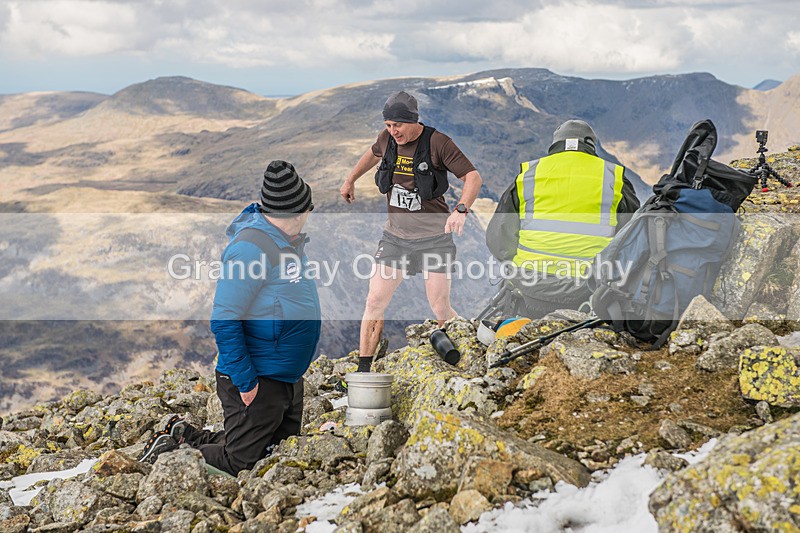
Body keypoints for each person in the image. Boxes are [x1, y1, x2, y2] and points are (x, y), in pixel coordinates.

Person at [139, 160, 321, 474]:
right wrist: (246, 381)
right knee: (242, 464)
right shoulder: (251, 250)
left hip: (285, 379)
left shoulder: (285, 242)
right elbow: (225, 319)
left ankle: (185, 436)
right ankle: (171, 455)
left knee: (276, 453)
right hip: (258, 378)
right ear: (297, 211)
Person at [339, 91, 482, 373]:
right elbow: (372, 154)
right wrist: (350, 179)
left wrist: (461, 209)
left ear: (414, 121)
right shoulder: (387, 139)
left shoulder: (437, 143)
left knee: (440, 307)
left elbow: (473, 177)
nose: (393, 132)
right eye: (389, 125)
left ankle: (468, 352)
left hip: (434, 239)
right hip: (395, 239)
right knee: (374, 300)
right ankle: (364, 369)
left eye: (398, 126)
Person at [485, 119, 640, 318]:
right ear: (591, 146)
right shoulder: (613, 178)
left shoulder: (529, 175)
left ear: (555, 145)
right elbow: (632, 241)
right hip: (588, 294)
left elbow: (497, 240)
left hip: (528, 291)